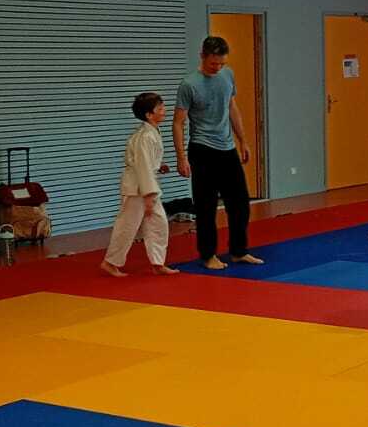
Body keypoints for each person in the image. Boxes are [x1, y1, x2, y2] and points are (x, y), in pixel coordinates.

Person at [175, 36, 263, 270]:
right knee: (206, 206)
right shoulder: (189, 84)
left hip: (227, 148)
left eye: (222, 63)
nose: (218, 67)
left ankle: (238, 251)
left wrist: (243, 140)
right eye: (214, 63)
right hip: (202, 150)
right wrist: (181, 157)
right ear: (202, 56)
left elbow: (232, 107)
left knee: (240, 203)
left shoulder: (228, 75)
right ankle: (208, 255)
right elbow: (178, 122)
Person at [101, 92, 178, 278]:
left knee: (159, 223)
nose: (164, 111)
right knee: (128, 226)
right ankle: (110, 262)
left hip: (145, 184)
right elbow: (142, 166)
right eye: (160, 108)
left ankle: (158, 263)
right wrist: (149, 195)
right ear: (149, 115)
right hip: (137, 188)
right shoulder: (144, 136)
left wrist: (159, 165)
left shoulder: (151, 133)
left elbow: (147, 162)